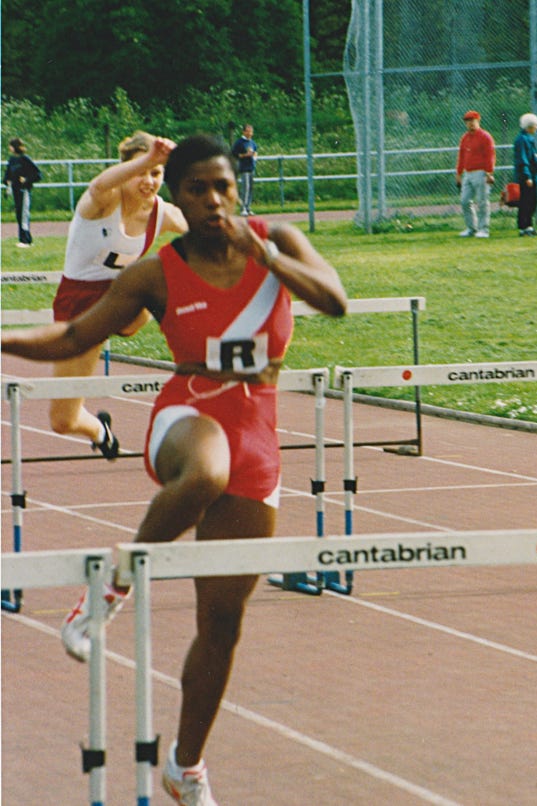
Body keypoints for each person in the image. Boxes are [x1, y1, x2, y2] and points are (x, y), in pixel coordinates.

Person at [2, 133, 348, 805]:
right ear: (181, 200)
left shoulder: (278, 240)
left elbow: (335, 300)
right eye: (199, 190)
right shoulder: (156, 272)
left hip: (261, 433)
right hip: (187, 417)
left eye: (224, 186)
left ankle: (185, 766)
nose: (215, 199)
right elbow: (76, 336)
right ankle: (112, 585)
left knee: (223, 623)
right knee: (206, 473)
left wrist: (266, 255)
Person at [49, 132, 187, 460]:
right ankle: (101, 430)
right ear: (126, 170)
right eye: (141, 171)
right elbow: (98, 185)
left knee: (163, 271)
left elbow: (206, 226)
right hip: (79, 305)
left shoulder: (162, 213)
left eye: (156, 173)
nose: (149, 180)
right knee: (62, 420)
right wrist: (150, 158)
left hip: (124, 299)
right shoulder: (102, 201)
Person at [455, 110, 496, 238]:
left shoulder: (485, 137)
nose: (470, 124)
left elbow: (490, 155)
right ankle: (471, 227)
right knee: (465, 201)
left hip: (481, 172)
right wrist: (459, 172)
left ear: (478, 121)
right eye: (467, 121)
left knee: (482, 201)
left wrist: (489, 172)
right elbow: (461, 156)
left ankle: (484, 229)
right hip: (468, 173)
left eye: (472, 121)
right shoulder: (465, 138)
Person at [4, 137, 42, 247]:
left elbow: (37, 174)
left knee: (24, 214)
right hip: (15, 190)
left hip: (24, 190)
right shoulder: (12, 160)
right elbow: (8, 174)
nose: (9, 148)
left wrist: (26, 180)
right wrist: (7, 181)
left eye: (11, 145)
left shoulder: (25, 159)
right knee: (18, 214)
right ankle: (22, 238)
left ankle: (26, 240)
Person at [513, 112, 537, 237]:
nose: (536, 128)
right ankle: (523, 227)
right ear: (529, 126)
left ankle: (529, 225)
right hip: (527, 176)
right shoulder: (522, 140)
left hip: (533, 174)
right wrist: (527, 176)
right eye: (535, 126)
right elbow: (522, 159)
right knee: (526, 202)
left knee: (532, 201)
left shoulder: (529, 139)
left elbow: (531, 156)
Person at [231, 123, 257, 215]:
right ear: (244, 132)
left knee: (251, 188)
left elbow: (255, 152)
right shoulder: (239, 142)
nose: (250, 133)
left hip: (251, 167)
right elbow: (234, 154)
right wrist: (244, 155)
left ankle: (248, 207)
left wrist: (254, 155)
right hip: (243, 167)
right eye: (248, 131)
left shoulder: (252, 143)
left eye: (251, 131)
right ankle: (243, 208)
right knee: (245, 188)